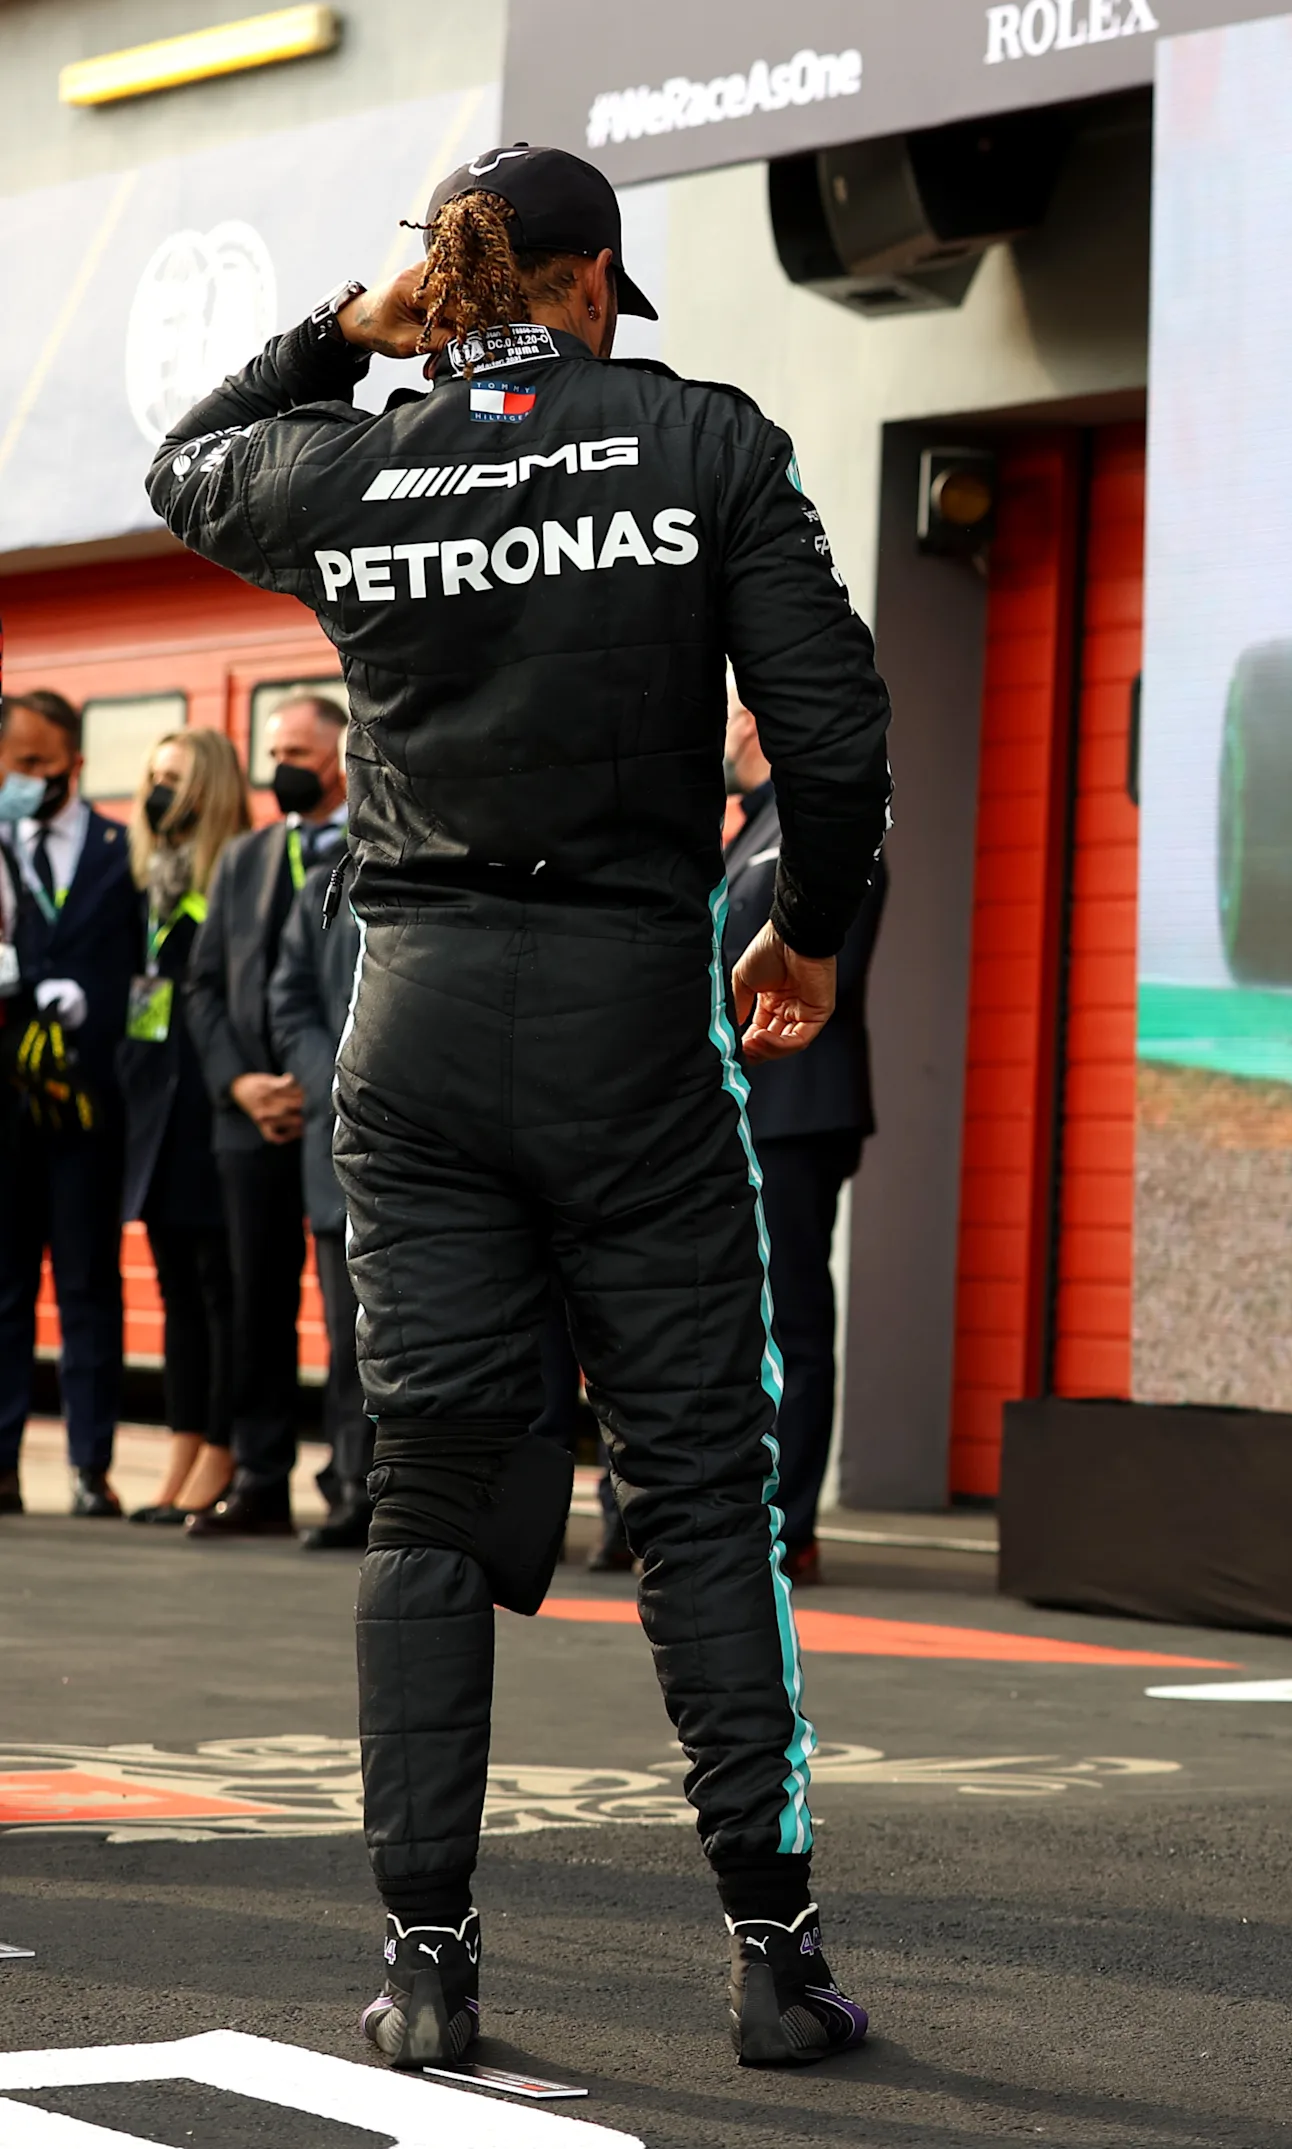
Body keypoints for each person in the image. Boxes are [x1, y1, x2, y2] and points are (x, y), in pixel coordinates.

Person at [148, 144, 891, 2072]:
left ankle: (425, 1966)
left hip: (412, 1032)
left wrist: (343, 330)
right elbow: (833, 730)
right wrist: (809, 930)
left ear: (442, 290)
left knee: (425, 1498)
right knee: (705, 1493)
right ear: (589, 279)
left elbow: (179, 460)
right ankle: (773, 1956)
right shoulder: (702, 438)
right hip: (634, 1017)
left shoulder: (348, 461)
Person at [710, 695, 882, 1585]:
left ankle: (788, 1525)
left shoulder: (822, 819)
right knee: (746, 1325)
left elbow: (796, 954)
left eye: (741, 717)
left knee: (792, 1323)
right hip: (745, 1106)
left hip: (795, 1107)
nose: (731, 733)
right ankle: (747, 1512)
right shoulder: (751, 826)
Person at [179, 693, 345, 1536]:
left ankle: (353, 1479)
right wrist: (239, 1084)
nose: (281, 764)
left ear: (341, 756)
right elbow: (202, 987)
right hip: (249, 1119)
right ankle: (260, 1473)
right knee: (254, 1301)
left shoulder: (372, 847)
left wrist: (312, 1087)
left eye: (298, 750)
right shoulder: (242, 859)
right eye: (273, 747)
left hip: (339, 1117)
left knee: (351, 1309)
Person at [0, 691, 140, 1518]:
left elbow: (145, 969)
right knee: (7, 1287)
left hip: (89, 1104)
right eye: (16, 765)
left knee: (89, 1284)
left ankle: (92, 1463)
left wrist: (95, 1002)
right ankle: (4, 1462)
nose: (27, 780)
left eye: (41, 766)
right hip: (9, 1101)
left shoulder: (121, 848)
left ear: (75, 761)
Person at [120, 729, 252, 1527]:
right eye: (151, 776)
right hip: (158, 1117)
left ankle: (224, 1449)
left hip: (212, 1111)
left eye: (173, 778)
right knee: (175, 1292)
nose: (157, 792)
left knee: (218, 1289)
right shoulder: (152, 885)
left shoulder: (233, 873)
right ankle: (183, 1442)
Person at [265, 813, 371, 1551]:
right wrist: (332, 1083)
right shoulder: (322, 888)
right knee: (346, 1342)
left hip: (434, 1141)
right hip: (339, 1146)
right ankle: (355, 1492)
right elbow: (291, 999)